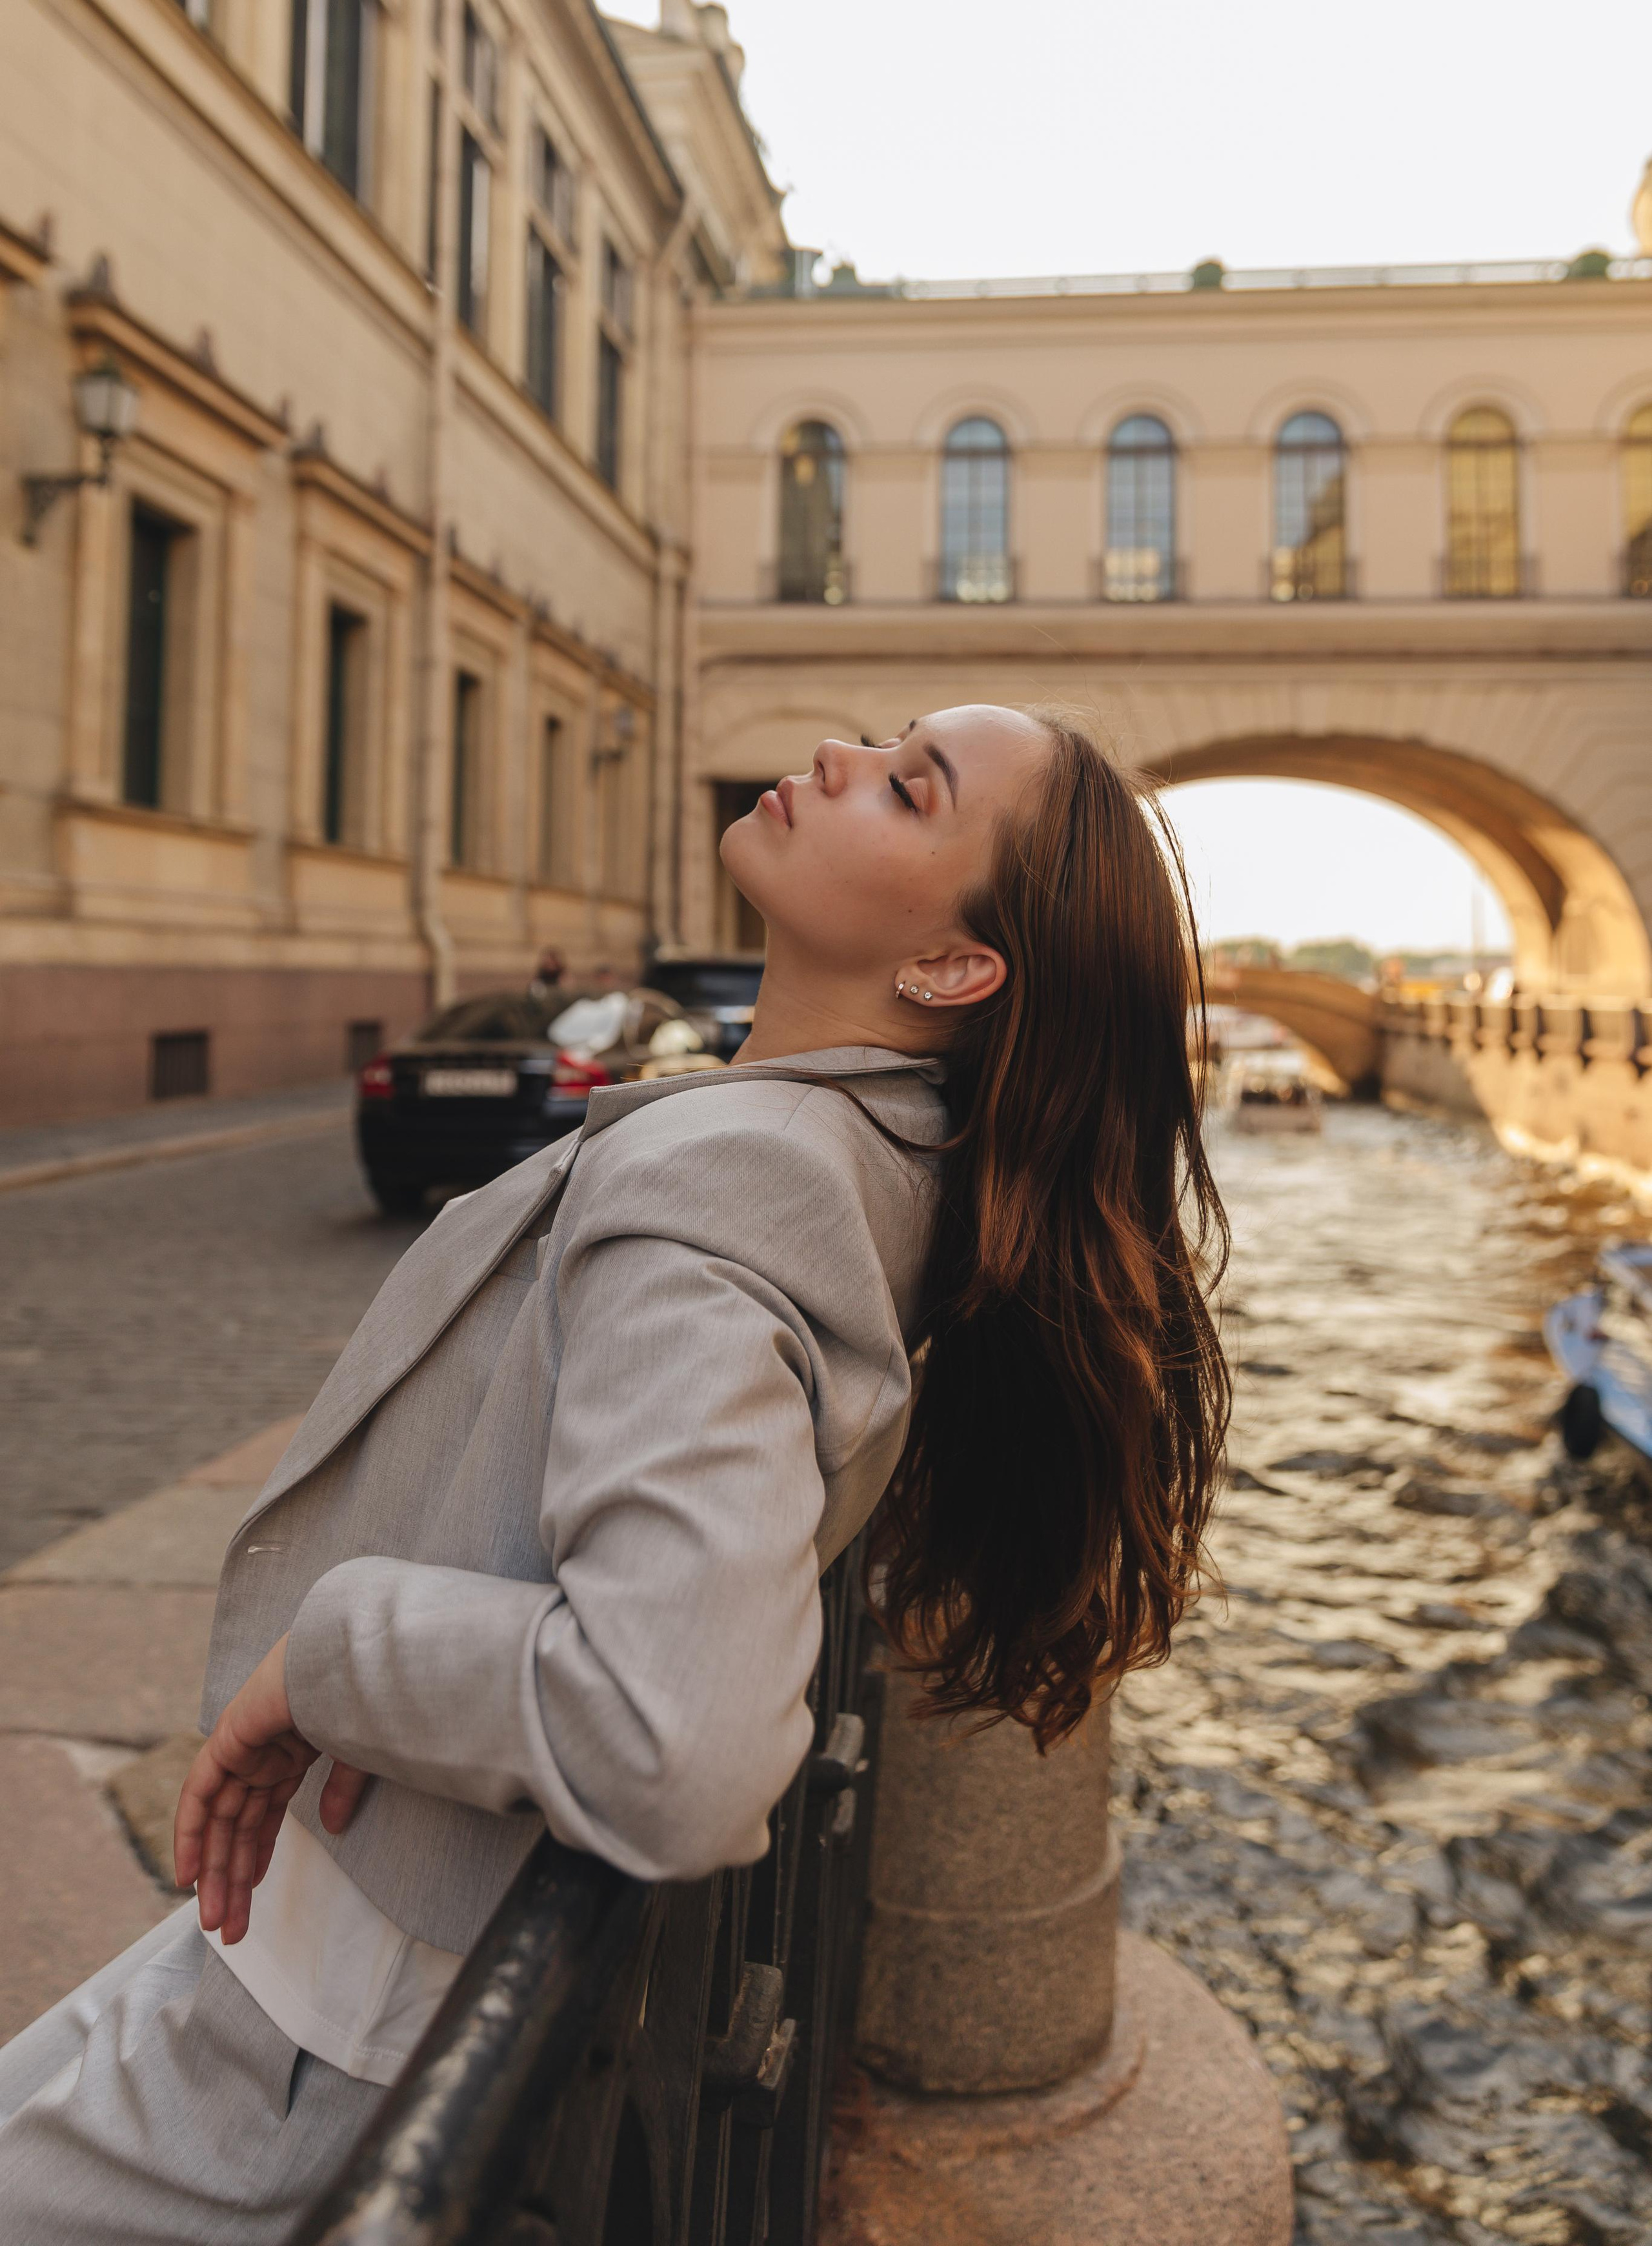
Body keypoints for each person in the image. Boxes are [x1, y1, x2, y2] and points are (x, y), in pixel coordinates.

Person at [0, 705, 1230, 2240]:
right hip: (343, 1962)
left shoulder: (740, 1176)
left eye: (910, 791)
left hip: (330, 2032)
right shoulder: (877, 1159)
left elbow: (675, 1743)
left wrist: (332, 1655)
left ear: (952, 969)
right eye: (879, 739)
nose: (841, 761)